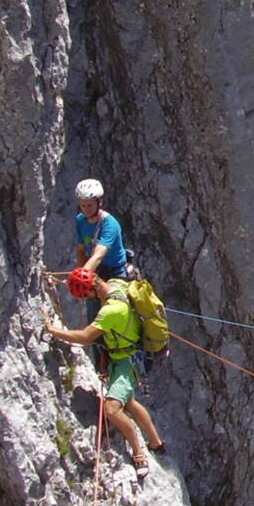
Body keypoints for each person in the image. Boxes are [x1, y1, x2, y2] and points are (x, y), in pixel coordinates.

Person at [46, 268, 166, 477]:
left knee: (112, 409)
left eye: (86, 295)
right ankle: (156, 443)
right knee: (129, 403)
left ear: (92, 290)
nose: (88, 299)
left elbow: (85, 337)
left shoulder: (110, 310)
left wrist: (53, 331)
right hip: (130, 357)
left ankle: (139, 453)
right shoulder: (116, 284)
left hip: (126, 363)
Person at [73, 178, 131, 281]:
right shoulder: (80, 220)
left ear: (99, 202)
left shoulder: (110, 224)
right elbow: (81, 250)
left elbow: (98, 255)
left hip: (116, 273)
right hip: (96, 270)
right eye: (83, 205)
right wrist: (80, 272)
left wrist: (81, 277)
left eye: (90, 205)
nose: (86, 209)